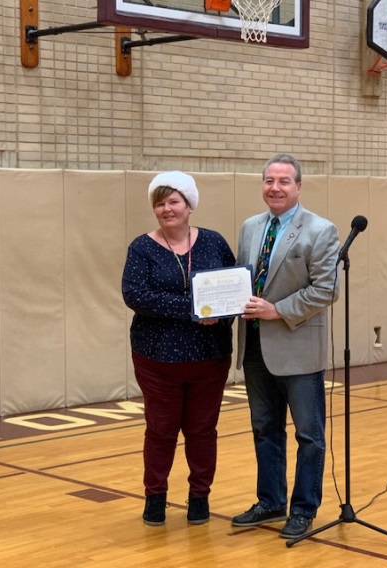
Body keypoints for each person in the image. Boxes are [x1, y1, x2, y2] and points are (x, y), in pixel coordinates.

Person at [232, 153, 340, 538]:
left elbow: (326, 289)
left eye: (283, 181)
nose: (274, 187)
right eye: (269, 181)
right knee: (265, 429)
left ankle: (303, 510)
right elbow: (242, 281)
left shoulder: (321, 230)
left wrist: (278, 310)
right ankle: (271, 501)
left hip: (297, 348)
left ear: (298, 186)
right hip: (255, 346)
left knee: (309, 436)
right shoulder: (249, 227)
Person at [122, 171, 235, 527]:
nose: (166, 209)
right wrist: (192, 310)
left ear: (189, 205)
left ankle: (199, 497)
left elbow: (233, 285)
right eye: (160, 202)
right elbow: (136, 295)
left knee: (203, 430)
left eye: (174, 201)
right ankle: (155, 497)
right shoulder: (142, 247)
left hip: (209, 356)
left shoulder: (214, 242)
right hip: (157, 358)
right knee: (161, 429)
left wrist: (222, 315)